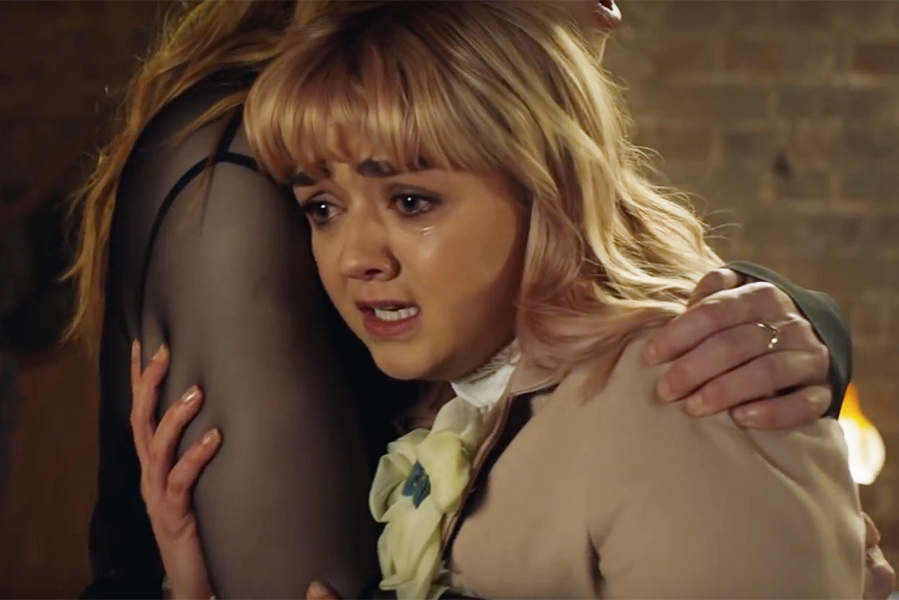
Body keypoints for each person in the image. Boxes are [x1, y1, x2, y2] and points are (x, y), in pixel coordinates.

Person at [73, 0, 884, 598]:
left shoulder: (670, 401)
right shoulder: (454, 397)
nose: (355, 258)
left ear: (545, 181)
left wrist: (779, 323)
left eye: (412, 202)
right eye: (319, 208)